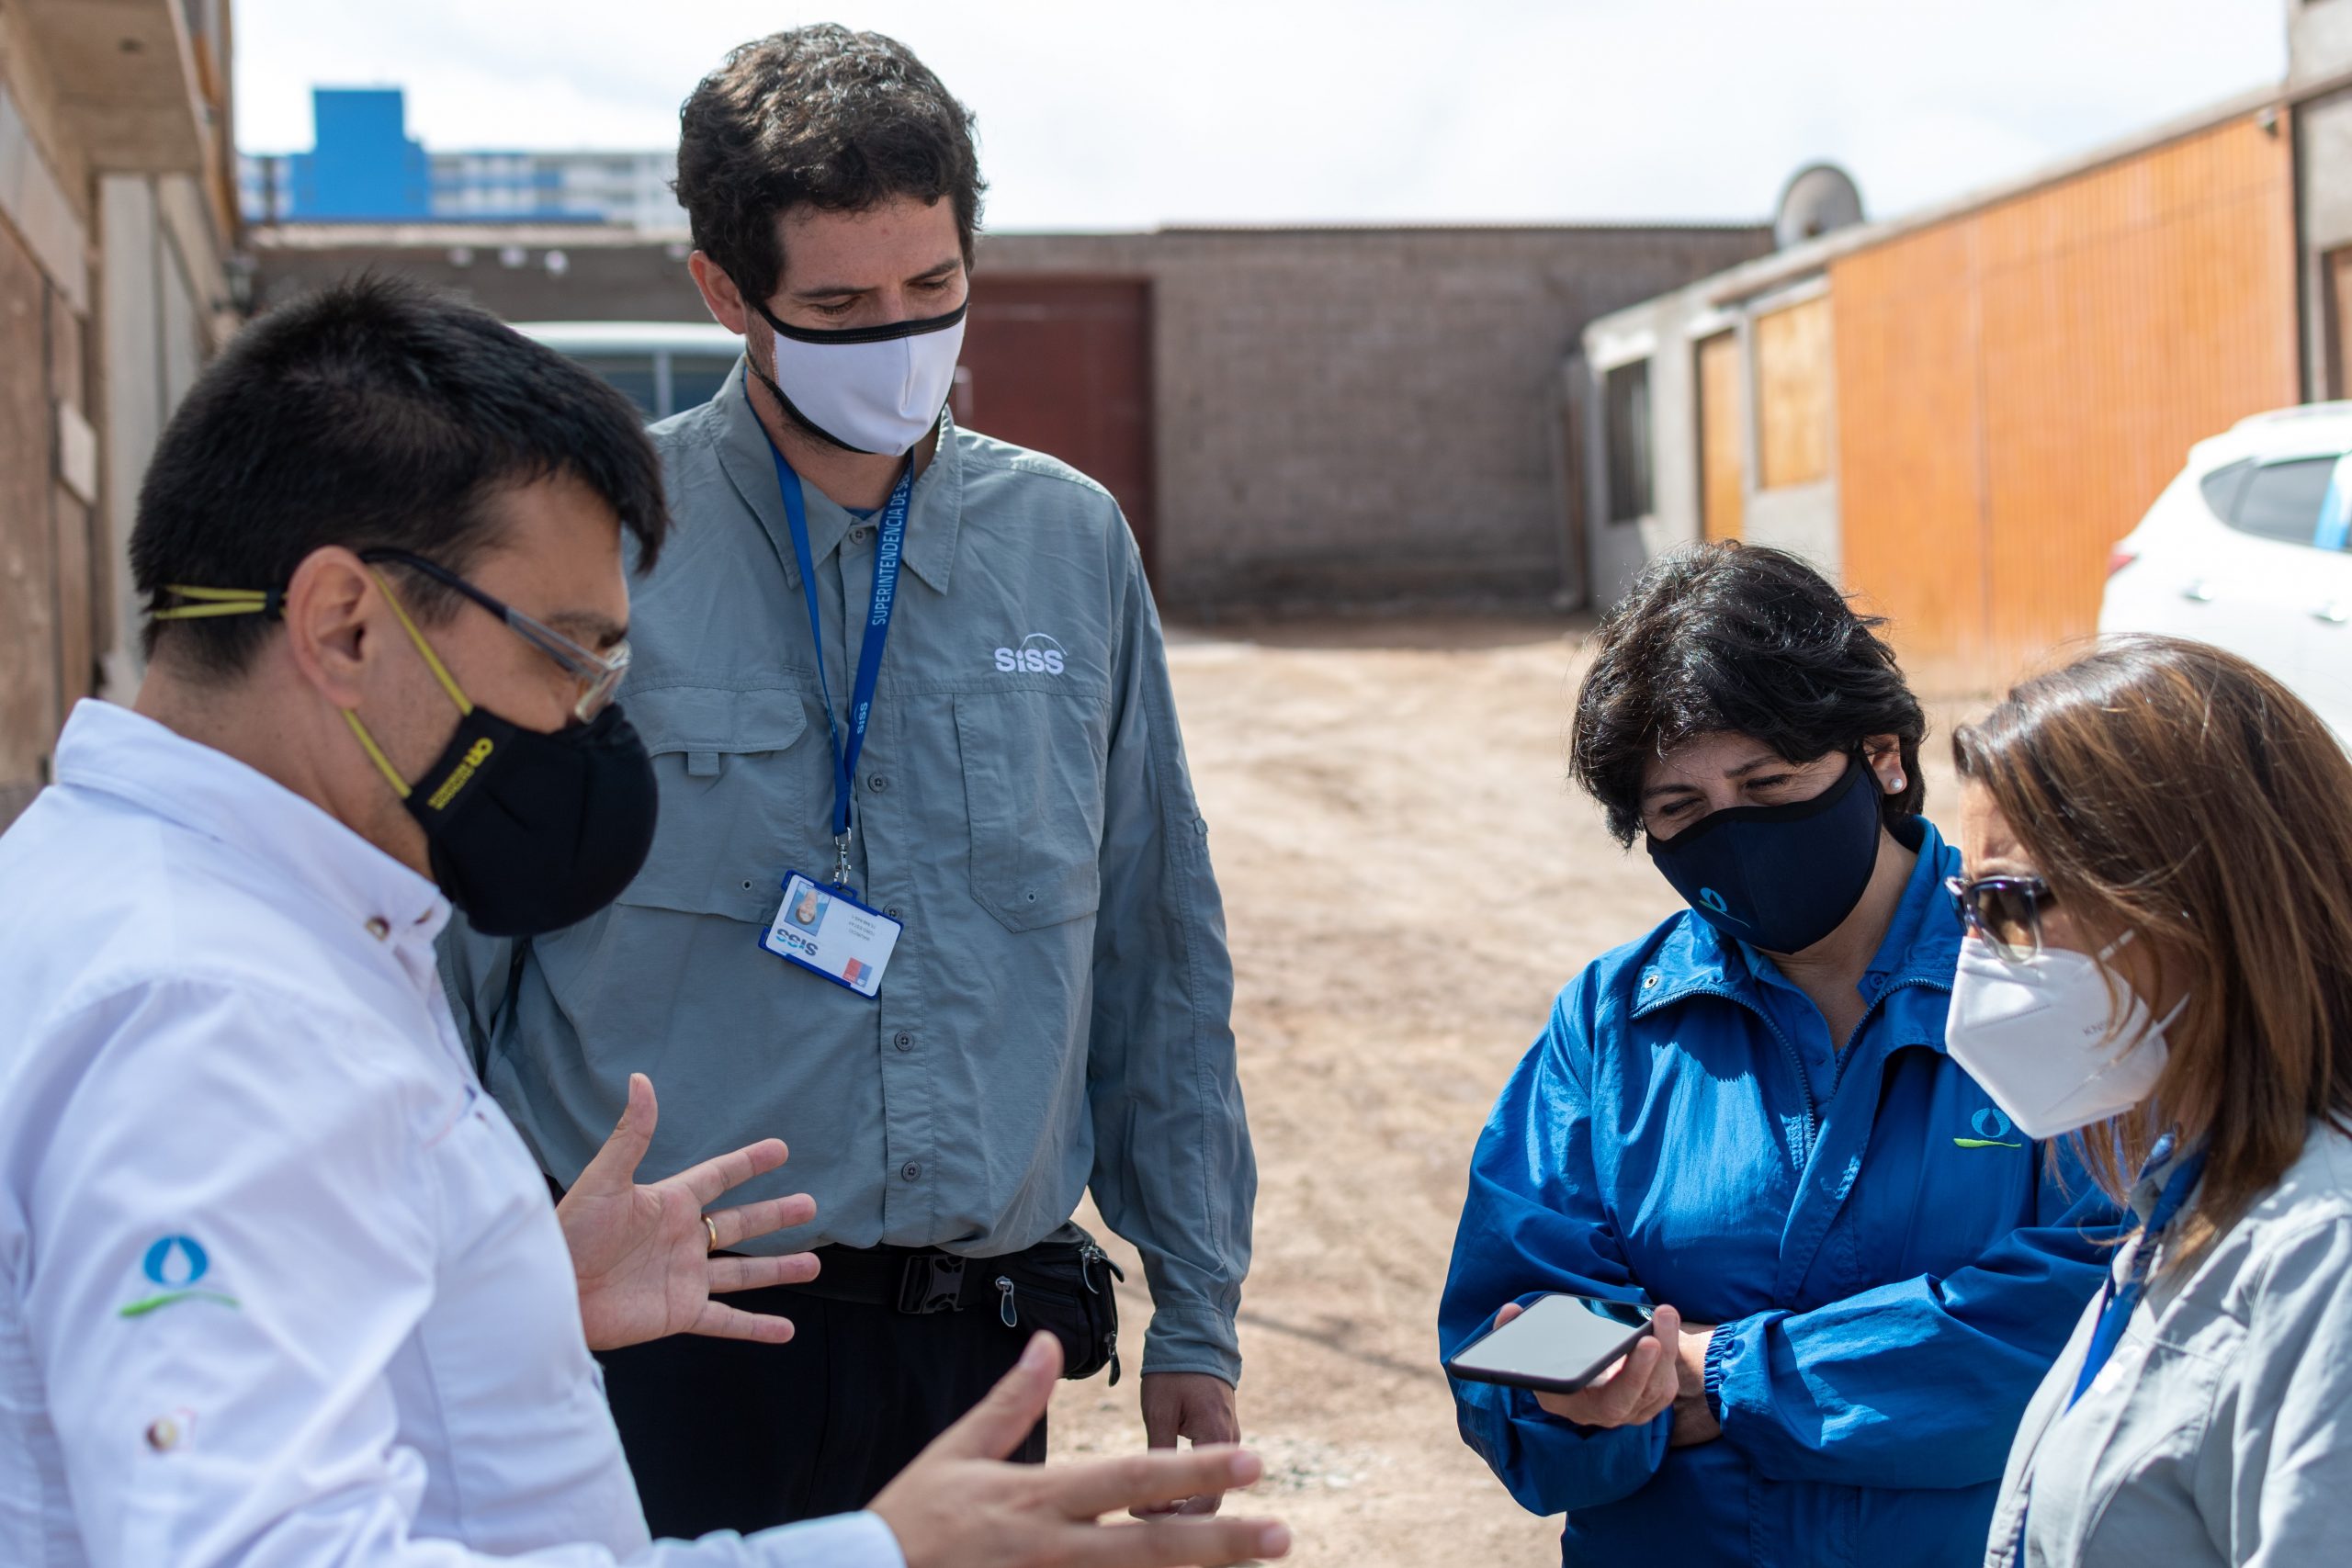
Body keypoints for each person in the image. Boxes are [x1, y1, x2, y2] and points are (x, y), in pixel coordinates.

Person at [0, 276, 1290, 1568]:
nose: (589, 721)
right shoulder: (212, 1019)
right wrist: (878, 1554)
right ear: (344, 625)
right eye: (566, 654)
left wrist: (507, 1296)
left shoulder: (138, 898)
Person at [438, 24, 1253, 1536]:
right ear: (725, 292)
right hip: (656, 1345)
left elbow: (1155, 944)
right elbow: (453, 967)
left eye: (932, 293)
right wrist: (462, 1298)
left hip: (974, 1351)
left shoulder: (1068, 549)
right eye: (839, 306)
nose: (898, 339)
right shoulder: (590, 551)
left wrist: (1196, 1309)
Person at [1438, 543, 2121, 1566]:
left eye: (1768, 781)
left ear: (1881, 756)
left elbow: (2081, 1320)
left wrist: (1717, 1378)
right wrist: (1576, 1401)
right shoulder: (1612, 1023)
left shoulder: (2040, 963)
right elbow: (1506, 1336)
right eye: (1681, 811)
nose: (1736, 833)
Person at [1951, 638, 2352, 1566]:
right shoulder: (2189, 1195)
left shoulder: (2323, 1252)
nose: (1978, 956)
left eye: (2008, 905)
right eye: (1964, 909)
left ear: (2188, 898)